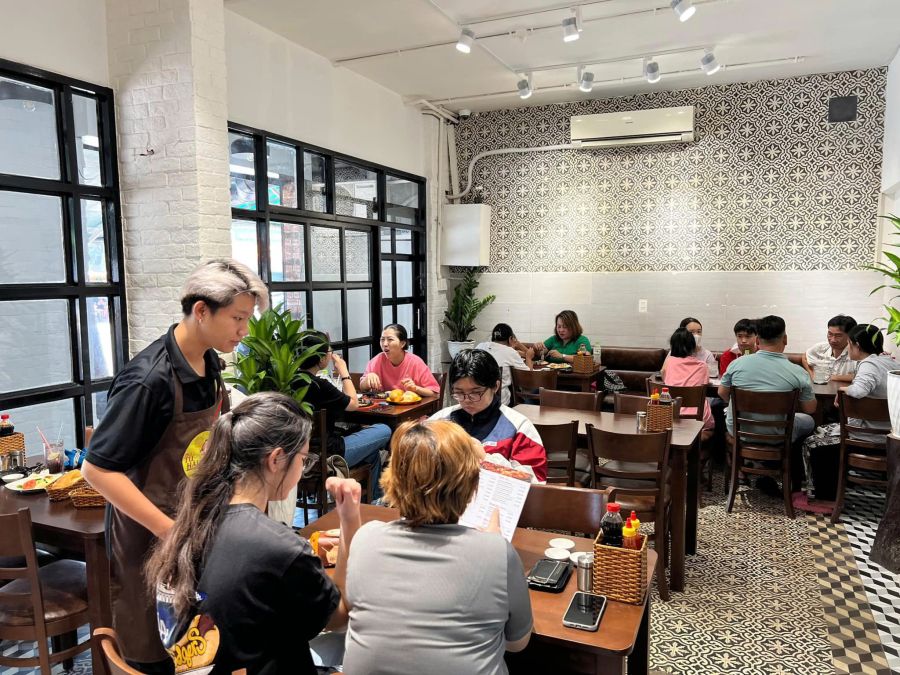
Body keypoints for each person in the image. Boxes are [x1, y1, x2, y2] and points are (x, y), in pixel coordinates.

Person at [83, 259, 268, 673]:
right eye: (238, 318)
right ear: (201, 311)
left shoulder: (209, 362)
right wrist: (169, 531)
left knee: (197, 648)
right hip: (150, 539)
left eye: (247, 319)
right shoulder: (148, 380)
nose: (244, 330)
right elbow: (96, 470)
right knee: (154, 650)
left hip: (192, 527)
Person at [147, 392, 362, 674]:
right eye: (303, 459)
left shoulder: (189, 523)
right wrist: (349, 521)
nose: (303, 468)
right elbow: (339, 618)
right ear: (276, 459)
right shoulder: (280, 548)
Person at [342, 419, 532, 674]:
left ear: (393, 478)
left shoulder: (365, 538)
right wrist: (493, 546)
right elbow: (517, 643)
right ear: (471, 485)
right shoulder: (497, 552)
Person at [718, 315, 817, 495]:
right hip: (777, 435)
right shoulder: (798, 373)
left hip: (740, 432)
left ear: (757, 340)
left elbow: (722, 394)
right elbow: (810, 408)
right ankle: (791, 475)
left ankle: (754, 466)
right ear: (785, 339)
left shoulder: (736, 365)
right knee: (808, 421)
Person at [801, 324, 896, 500]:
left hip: (866, 435)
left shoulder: (869, 364)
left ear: (856, 345)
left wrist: (842, 390)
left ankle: (822, 495)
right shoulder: (891, 362)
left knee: (811, 441)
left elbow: (859, 390)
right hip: (889, 433)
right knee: (823, 429)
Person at [430, 349, 547, 481]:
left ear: (495, 386)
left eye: (476, 392)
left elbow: (535, 482)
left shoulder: (519, 427)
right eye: (459, 393)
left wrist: (485, 459)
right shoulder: (438, 422)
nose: (467, 400)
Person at [299, 332, 390, 499]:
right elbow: (354, 404)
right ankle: (376, 500)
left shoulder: (289, 381)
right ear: (321, 358)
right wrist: (344, 371)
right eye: (329, 351)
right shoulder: (319, 385)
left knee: (373, 454)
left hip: (301, 453)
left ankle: (374, 500)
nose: (331, 355)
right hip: (328, 453)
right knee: (384, 429)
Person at [360, 324, 440, 396]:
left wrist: (415, 388)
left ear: (402, 343)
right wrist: (367, 379)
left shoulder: (415, 362)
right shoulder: (377, 360)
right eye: (382, 339)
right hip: (383, 406)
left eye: (390, 339)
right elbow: (362, 388)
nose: (385, 344)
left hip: (410, 406)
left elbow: (434, 393)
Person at [662, 328, 714, 440]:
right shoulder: (702, 366)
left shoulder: (668, 363)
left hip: (670, 416)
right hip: (698, 418)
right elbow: (705, 384)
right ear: (693, 346)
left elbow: (664, 377)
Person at [476, 323, 534, 406]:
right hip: (500, 403)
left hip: (476, 398)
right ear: (510, 339)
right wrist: (529, 358)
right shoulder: (510, 352)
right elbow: (529, 377)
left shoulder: (480, 346)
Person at [802, 314, 858, 383]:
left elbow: (861, 376)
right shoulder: (821, 347)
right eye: (830, 334)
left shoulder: (857, 352)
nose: (833, 340)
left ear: (850, 335)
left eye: (838, 335)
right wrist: (812, 374)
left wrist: (833, 377)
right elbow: (804, 357)